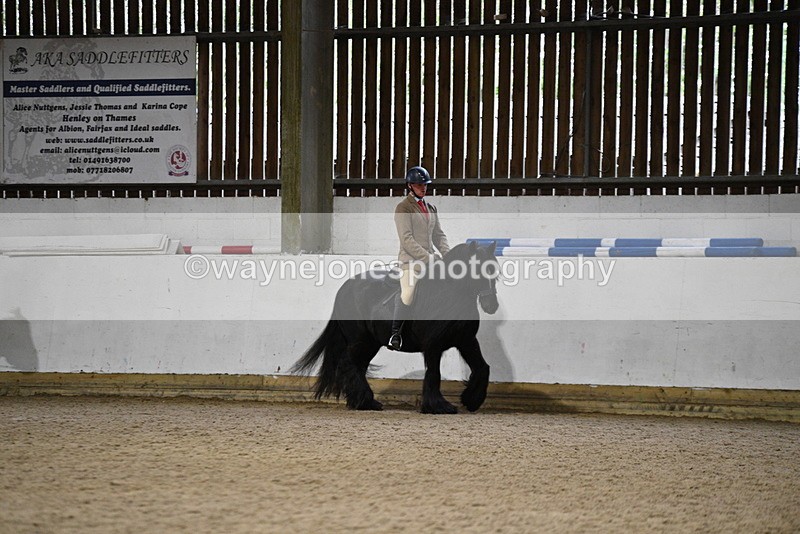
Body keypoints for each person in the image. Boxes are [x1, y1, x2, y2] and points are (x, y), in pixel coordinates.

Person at [387, 166, 450, 350]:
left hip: (431, 262)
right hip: (411, 263)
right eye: (420, 185)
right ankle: (395, 334)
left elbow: (439, 236)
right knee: (408, 293)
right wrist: (429, 258)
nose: (424, 188)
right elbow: (407, 240)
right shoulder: (403, 208)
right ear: (410, 185)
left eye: (425, 185)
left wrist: (449, 255)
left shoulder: (431, 208)